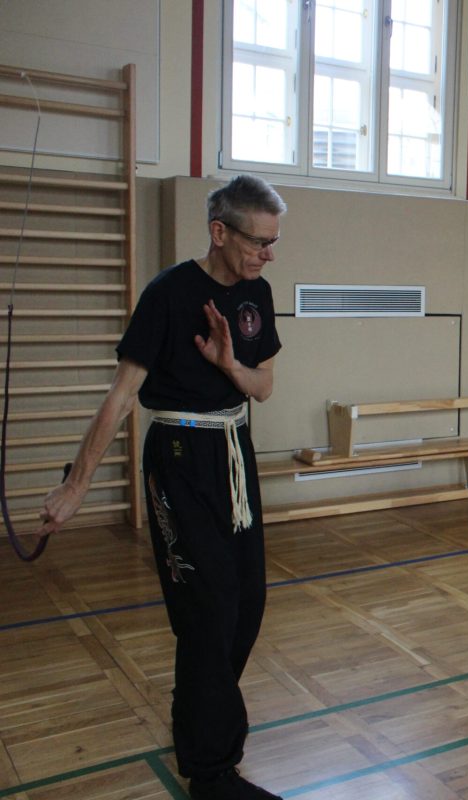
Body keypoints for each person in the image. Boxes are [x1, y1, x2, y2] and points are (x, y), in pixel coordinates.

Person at [38, 175, 287, 798]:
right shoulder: (168, 294)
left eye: (273, 242)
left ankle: (198, 714)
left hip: (233, 452)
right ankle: (211, 771)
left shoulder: (257, 294)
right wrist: (77, 485)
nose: (267, 254)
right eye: (258, 242)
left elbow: (262, 387)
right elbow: (122, 395)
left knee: (246, 605)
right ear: (219, 232)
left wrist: (229, 364)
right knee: (207, 612)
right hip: (178, 456)